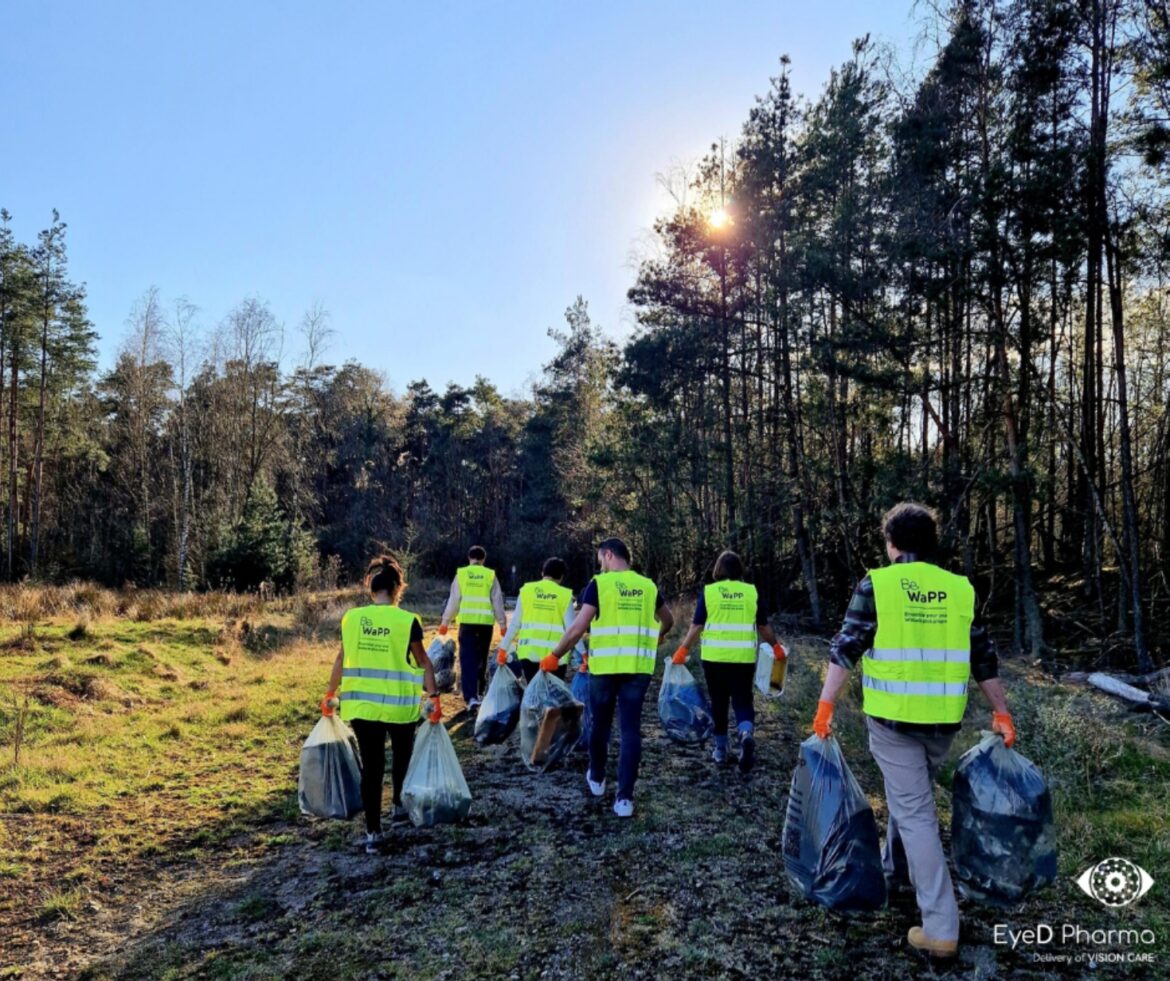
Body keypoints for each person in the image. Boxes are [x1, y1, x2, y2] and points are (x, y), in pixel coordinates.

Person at [811, 503, 1015, 960]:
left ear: (892, 545)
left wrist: (825, 706)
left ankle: (941, 928)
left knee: (917, 812)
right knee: (910, 797)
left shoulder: (878, 585)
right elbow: (983, 655)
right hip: (943, 722)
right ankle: (896, 871)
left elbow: (846, 648)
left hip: (893, 721)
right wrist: (1001, 711)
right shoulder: (959, 589)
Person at [546, 537, 674, 818]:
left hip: (604, 670)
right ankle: (625, 799)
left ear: (608, 555)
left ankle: (598, 778)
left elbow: (578, 627)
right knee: (630, 731)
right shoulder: (647, 586)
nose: (599, 565)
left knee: (600, 725)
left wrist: (555, 655)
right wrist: (660, 635)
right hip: (638, 669)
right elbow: (668, 619)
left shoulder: (599, 584)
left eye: (599, 559)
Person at [322, 555, 441, 854]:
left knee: (372, 769)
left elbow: (341, 658)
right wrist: (434, 697)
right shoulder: (407, 621)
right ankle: (399, 806)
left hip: (362, 707)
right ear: (397, 590)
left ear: (371, 591)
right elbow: (423, 661)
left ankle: (373, 833)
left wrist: (329, 693)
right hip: (400, 707)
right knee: (402, 757)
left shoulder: (352, 619)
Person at [671, 550, 786, 773]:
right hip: (742, 659)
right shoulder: (750, 592)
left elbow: (697, 626)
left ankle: (720, 750)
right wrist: (776, 646)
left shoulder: (710, 592)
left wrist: (683, 648)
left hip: (714, 659)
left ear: (718, 569)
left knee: (719, 702)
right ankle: (745, 734)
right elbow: (763, 626)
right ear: (739, 569)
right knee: (743, 700)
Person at [439, 545, 507, 711]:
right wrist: (503, 624)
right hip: (485, 624)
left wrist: (445, 622)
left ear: (469, 558)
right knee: (481, 658)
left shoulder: (461, 575)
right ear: (483, 560)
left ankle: (471, 698)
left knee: (467, 659)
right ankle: (481, 692)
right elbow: (497, 601)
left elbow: (454, 600)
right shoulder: (490, 575)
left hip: (467, 624)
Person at [495, 556, 584, 682]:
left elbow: (515, 623)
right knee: (551, 697)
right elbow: (572, 630)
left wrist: (503, 648)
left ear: (542, 573)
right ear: (561, 577)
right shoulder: (564, 596)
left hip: (529, 655)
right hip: (555, 658)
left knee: (533, 695)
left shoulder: (526, 591)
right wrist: (583, 653)